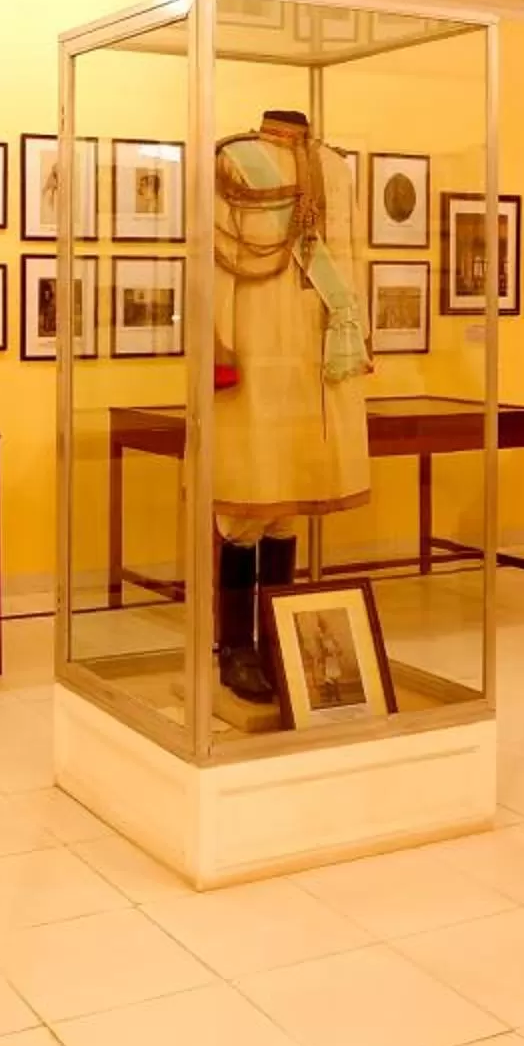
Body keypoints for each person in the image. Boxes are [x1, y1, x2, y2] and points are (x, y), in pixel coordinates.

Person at [208, 111, 372, 702]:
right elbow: (216, 264)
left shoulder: (334, 165)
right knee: (246, 503)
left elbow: (348, 261)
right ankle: (235, 649)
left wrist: (353, 338)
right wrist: (215, 349)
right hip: (253, 347)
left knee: (289, 498)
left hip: (311, 351)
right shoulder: (234, 158)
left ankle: (277, 640)